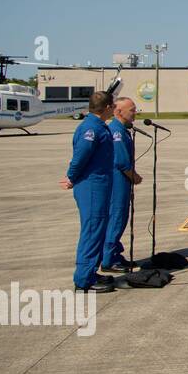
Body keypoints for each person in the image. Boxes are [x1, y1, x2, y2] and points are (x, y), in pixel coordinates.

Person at [59, 91, 117, 293]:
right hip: (92, 187)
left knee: (98, 229)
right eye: (113, 106)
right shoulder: (91, 129)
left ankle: (90, 271)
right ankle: (84, 280)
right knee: (92, 231)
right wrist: (71, 176)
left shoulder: (98, 126)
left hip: (98, 185)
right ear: (107, 107)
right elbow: (81, 155)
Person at [101, 97, 141, 273]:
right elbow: (122, 162)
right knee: (116, 218)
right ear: (118, 112)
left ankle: (115, 253)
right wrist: (135, 177)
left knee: (120, 218)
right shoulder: (116, 132)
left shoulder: (122, 130)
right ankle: (109, 259)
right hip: (118, 182)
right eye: (131, 110)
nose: (135, 113)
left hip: (122, 181)